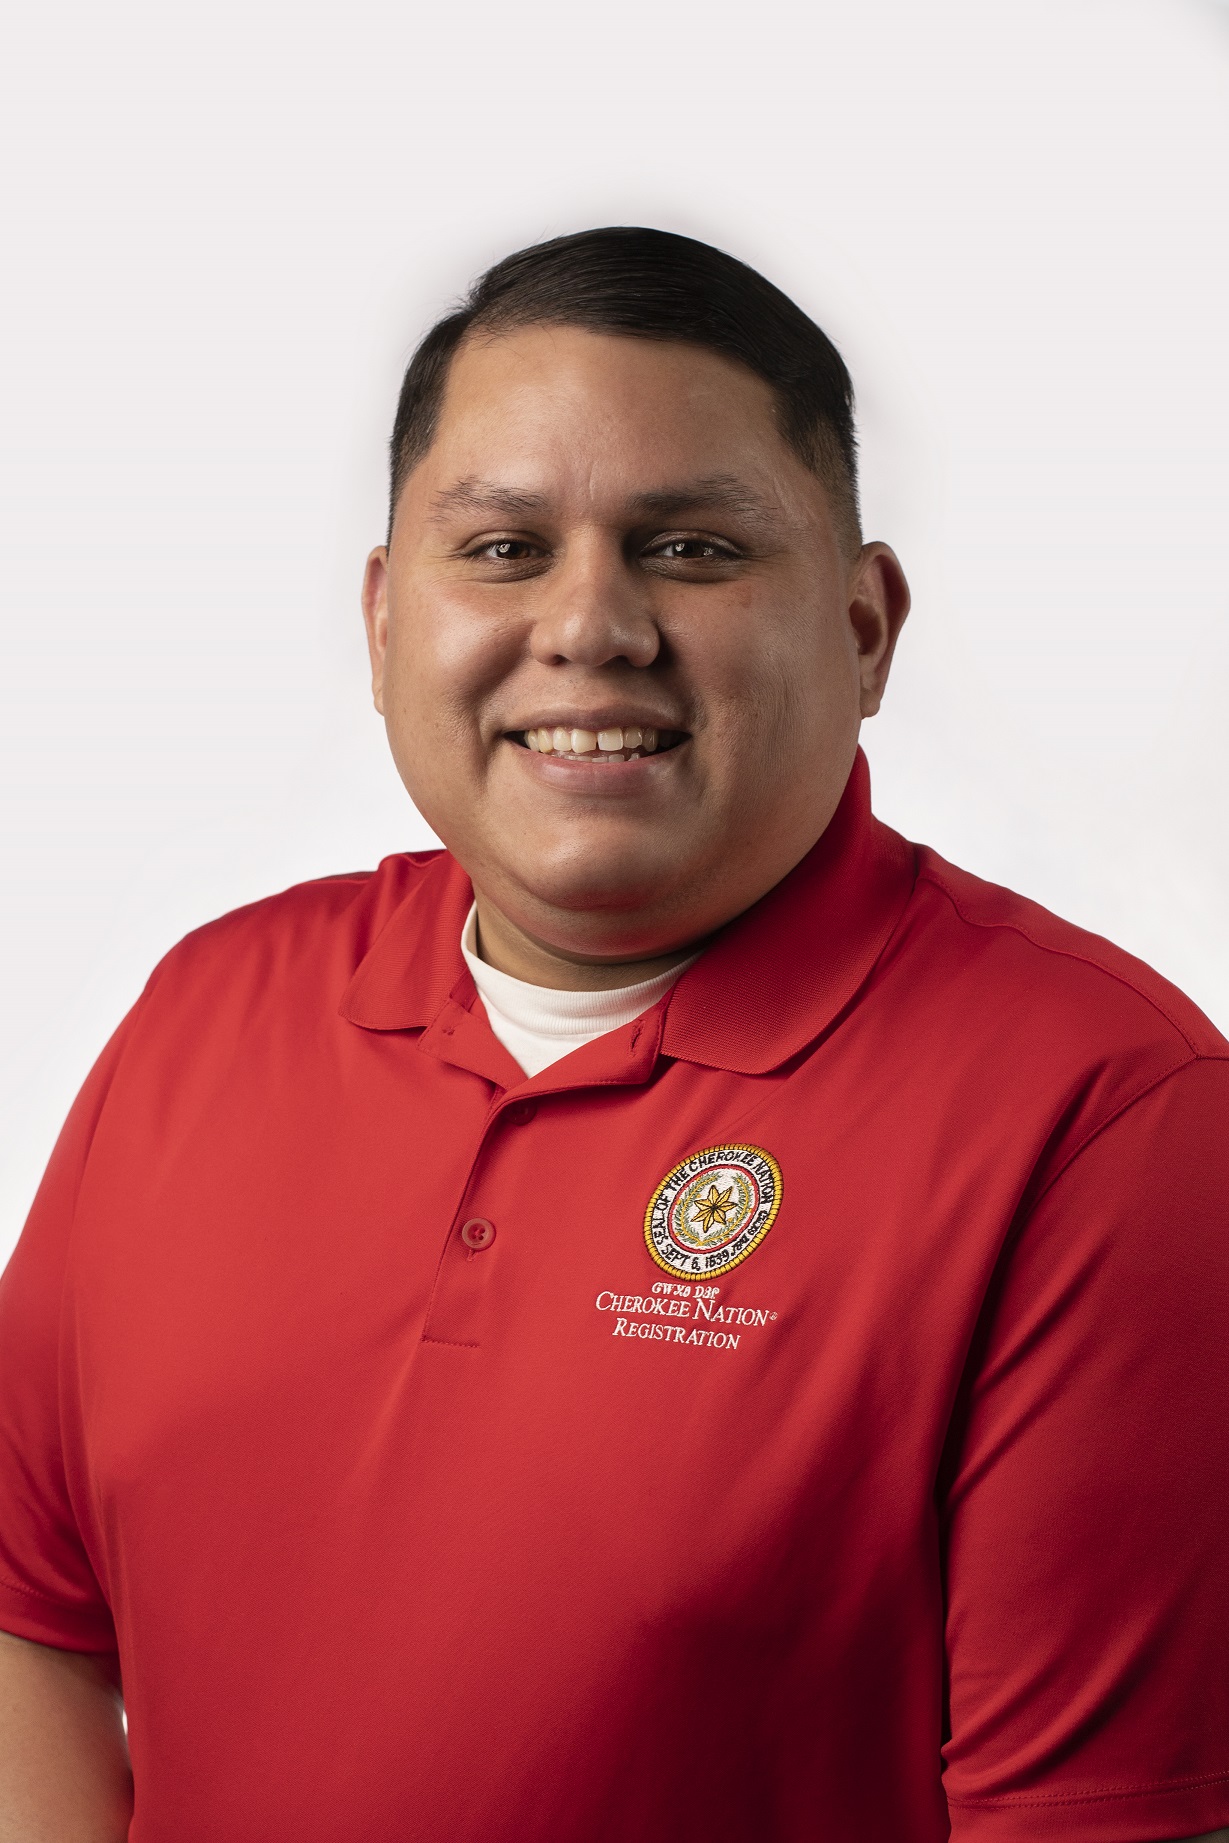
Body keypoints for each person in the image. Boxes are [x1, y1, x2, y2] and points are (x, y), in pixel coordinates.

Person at [0, 227, 1226, 1843]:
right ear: (384, 622)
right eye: (504, 549)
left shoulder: (1105, 1119)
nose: (590, 625)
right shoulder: (207, 1013)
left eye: (691, 549)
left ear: (864, 629)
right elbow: (30, 1620)